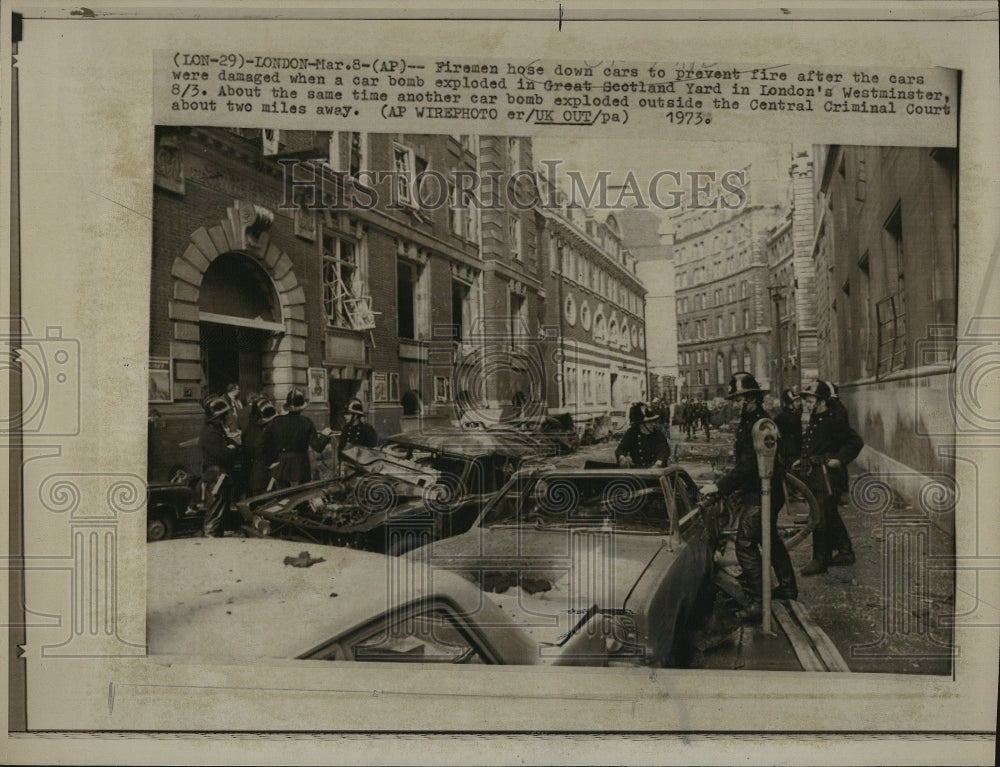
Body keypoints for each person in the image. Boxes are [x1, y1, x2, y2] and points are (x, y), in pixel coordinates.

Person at [700, 372, 798, 622]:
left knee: (745, 543)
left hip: (763, 491)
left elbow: (751, 465)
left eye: (738, 398)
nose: (734, 403)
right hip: (760, 489)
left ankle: (757, 602)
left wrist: (720, 486)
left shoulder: (761, 423)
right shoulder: (751, 421)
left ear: (750, 398)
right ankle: (787, 586)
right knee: (771, 538)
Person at [795, 380, 864, 575]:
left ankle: (820, 560)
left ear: (822, 402)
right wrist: (803, 460)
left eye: (810, 401)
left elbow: (855, 441)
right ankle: (845, 551)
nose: (806, 405)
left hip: (827, 477)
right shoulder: (817, 418)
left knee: (821, 517)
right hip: (816, 474)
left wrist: (839, 459)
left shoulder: (832, 420)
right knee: (830, 515)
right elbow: (815, 445)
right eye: (806, 401)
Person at [264, 388, 333, 488]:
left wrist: (270, 462)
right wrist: (325, 436)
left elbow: (264, 444)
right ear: (301, 407)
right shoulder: (306, 422)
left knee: (282, 500)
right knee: (300, 499)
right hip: (301, 467)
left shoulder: (275, 422)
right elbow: (317, 447)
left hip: (280, 468)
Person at [199, 394, 240, 537]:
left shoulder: (216, 431)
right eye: (224, 415)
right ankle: (210, 541)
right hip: (217, 477)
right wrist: (232, 449)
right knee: (215, 513)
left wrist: (232, 447)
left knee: (220, 512)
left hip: (220, 476)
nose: (226, 417)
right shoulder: (210, 434)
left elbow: (232, 445)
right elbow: (225, 455)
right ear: (217, 417)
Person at [615, 402, 671, 469]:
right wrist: (622, 458)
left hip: (655, 471)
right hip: (637, 472)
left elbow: (664, 450)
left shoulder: (658, 434)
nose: (653, 424)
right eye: (650, 422)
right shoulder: (632, 433)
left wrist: (658, 463)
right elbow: (621, 449)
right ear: (641, 424)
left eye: (653, 421)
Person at [243, 397, 278, 496]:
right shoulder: (264, 432)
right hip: (264, 475)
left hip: (252, 475)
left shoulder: (248, 430)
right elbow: (261, 450)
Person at [773, 389, 803, 467]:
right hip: (792, 452)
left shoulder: (780, 416)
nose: (798, 403)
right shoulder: (794, 417)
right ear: (790, 403)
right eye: (796, 401)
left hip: (784, 451)